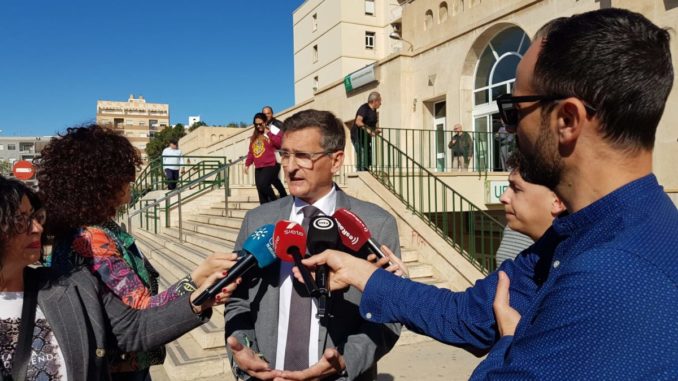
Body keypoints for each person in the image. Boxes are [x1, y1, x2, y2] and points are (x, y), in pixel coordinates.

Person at [298, 9, 678, 379]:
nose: (508, 129)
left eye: (513, 110)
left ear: (567, 121)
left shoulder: (612, 278)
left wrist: (511, 343)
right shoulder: (581, 231)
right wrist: (362, 272)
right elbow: (470, 315)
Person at [36, 125, 239, 381]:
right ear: (102, 182)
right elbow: (141, 311)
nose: (132, 177)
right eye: (123, 172)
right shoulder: (92, 238)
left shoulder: (85, 229)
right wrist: (198, 279)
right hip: (121, 369)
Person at [225, 109, 401, 381]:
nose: (290, 167)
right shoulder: (257, 220)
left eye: (303, 156)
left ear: (336, 160)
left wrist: (345, 361)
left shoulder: (376, 225)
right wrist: (244, 351)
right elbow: (237, 298)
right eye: (285, 154)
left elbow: (389, 314)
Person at [0, 176, 233, 380]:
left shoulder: (70, 286)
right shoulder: (91, 237)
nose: (38, 228)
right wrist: (195, 278)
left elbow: (134, 326)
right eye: (21, 220)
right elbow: (141, 306)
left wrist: (199, 298)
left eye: (35, 216)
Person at [495, 154, 565, 267]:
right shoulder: (513, 228)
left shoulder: (577, 259)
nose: (503, 198)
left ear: (557, 202)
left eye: (516, 189)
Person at [245, 112, 286, 204]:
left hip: (271, 164)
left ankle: (275, 203)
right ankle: (263, 208)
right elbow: (251, 152)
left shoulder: (272, 130)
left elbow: (280, 143)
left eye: (260, 124)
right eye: (256, 124)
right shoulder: (254, 136)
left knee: (263, 185)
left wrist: (269, 134)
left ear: (265, 122)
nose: (258, 126)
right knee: (260, 189)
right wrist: (247, 164)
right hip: (259, 166)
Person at [262, 105, 289, 199]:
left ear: (272, 114)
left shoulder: (277, 124)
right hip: (267, 155)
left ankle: (274, 198)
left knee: (268, 179)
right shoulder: (262, 125)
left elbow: (281, 140)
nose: (266, 115)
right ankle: (283, 196)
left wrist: (268, 132)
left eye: (268, 113)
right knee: (273, 179)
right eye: (264, 114)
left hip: (277, 154)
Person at [351, 92, 382, 171]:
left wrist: (375, 131)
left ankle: (367, 172)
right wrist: (368, 130)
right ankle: (361, 173)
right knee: (362, 153)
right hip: (357, 136)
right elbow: (358, 121)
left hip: (366, 137)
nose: (380, 103)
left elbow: (371, 126)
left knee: (368, 154)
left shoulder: (374, 111)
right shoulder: (364, 108)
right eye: (379, 101)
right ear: (374, 101)